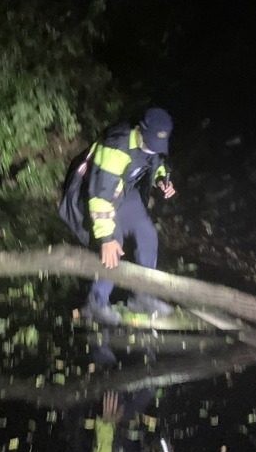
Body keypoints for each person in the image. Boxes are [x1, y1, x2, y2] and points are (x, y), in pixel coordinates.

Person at [58, 107, 177, 326]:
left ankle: (142, 296)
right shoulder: (117, 147)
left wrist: (161, 180)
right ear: (140, 131)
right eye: (150, 143)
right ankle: (95, 302)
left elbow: (154, 162)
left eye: (157, 145)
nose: (153, 148)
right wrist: (106, 239)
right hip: (95, 194)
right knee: (115, 244)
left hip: (124, 191)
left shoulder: (152, 145)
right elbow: (100, 197)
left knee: (147, 234)